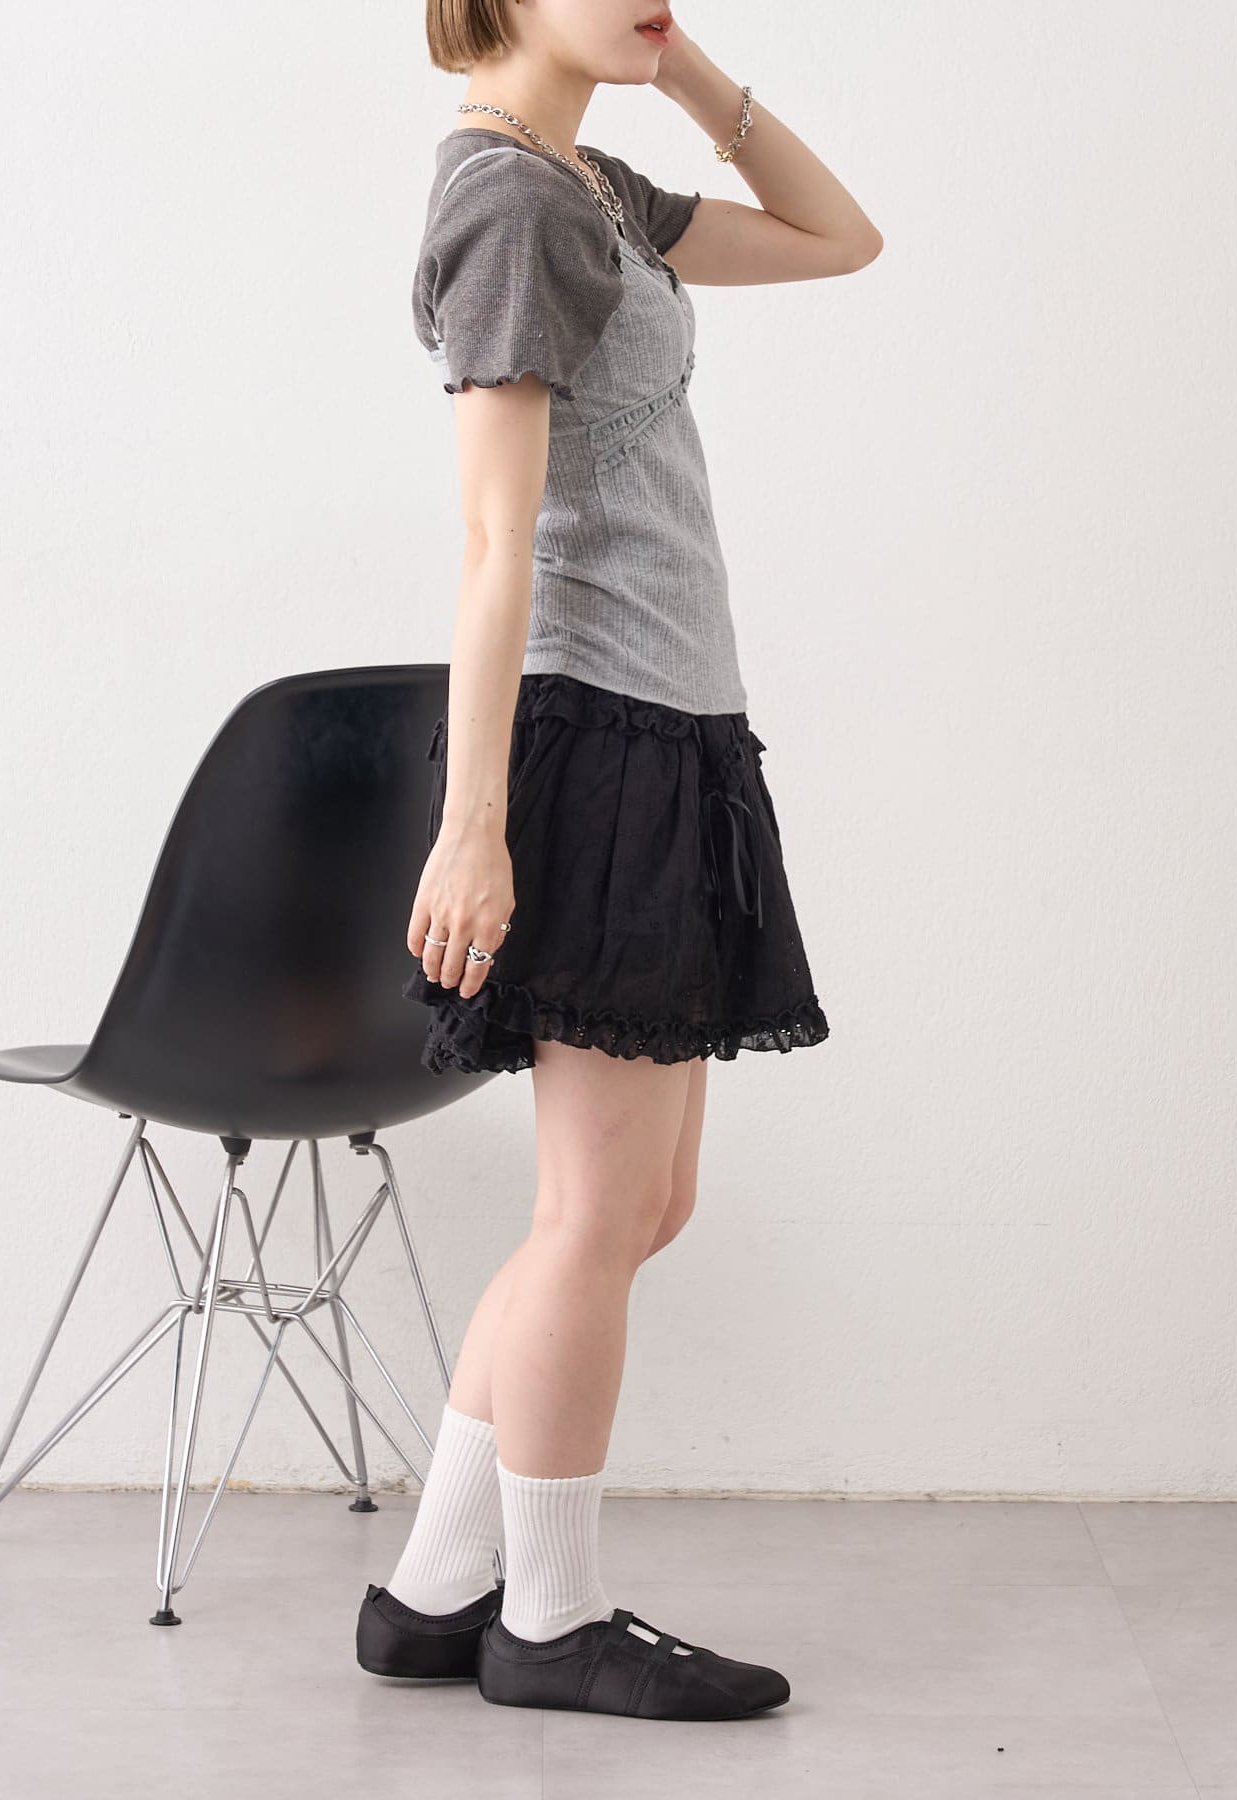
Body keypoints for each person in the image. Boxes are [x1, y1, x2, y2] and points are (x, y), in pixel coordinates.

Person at [355, 0, 882, 1723]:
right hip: (599, 739)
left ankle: (436, 1589)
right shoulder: (509, 203)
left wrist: (684, 68)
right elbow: (491, 537)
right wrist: (476, 822)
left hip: (673, 726)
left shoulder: (586, 186)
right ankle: (551, 1618)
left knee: (642, 1206)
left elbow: (839, 238)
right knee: (594, 1215)